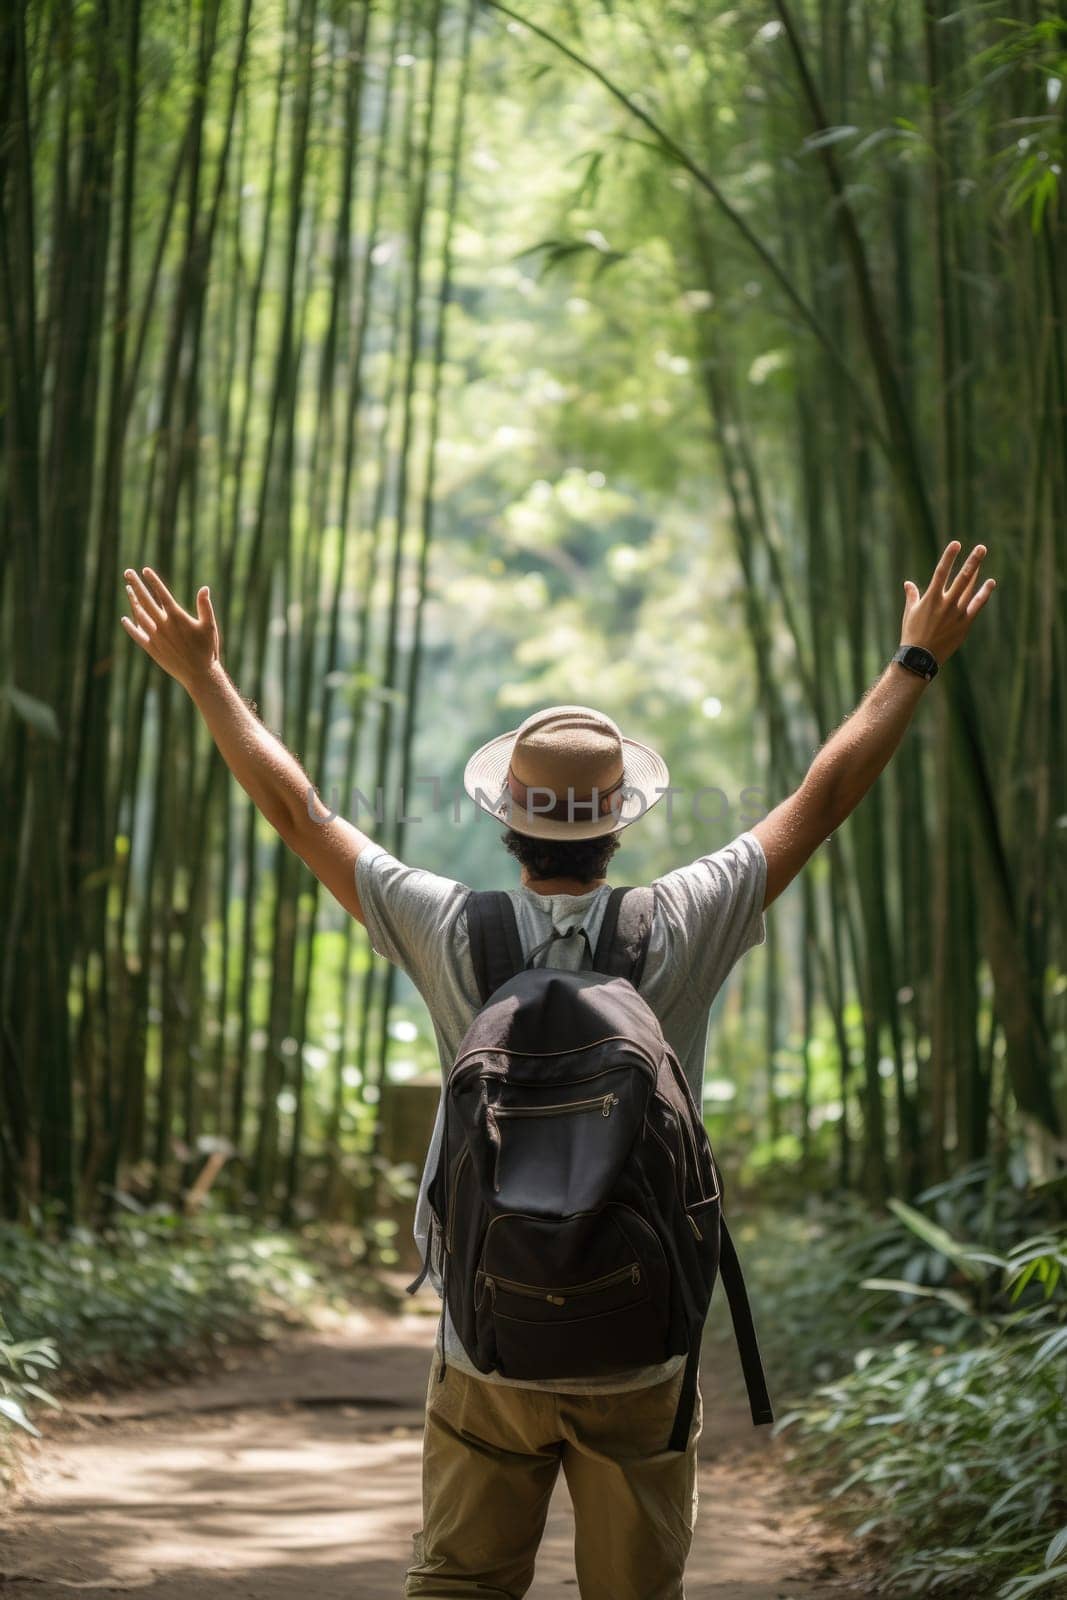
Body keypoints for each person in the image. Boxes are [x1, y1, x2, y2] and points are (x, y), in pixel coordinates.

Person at [120, 538, 995, 1600]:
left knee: (461, 1583)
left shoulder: (447, 927)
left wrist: (204, 675)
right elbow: (824, 793)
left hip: (486, 1337)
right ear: (621, 823)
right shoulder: (681, 919)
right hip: (640, 1341)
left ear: (504, 818)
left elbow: (298, 813)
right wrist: (913, 659)